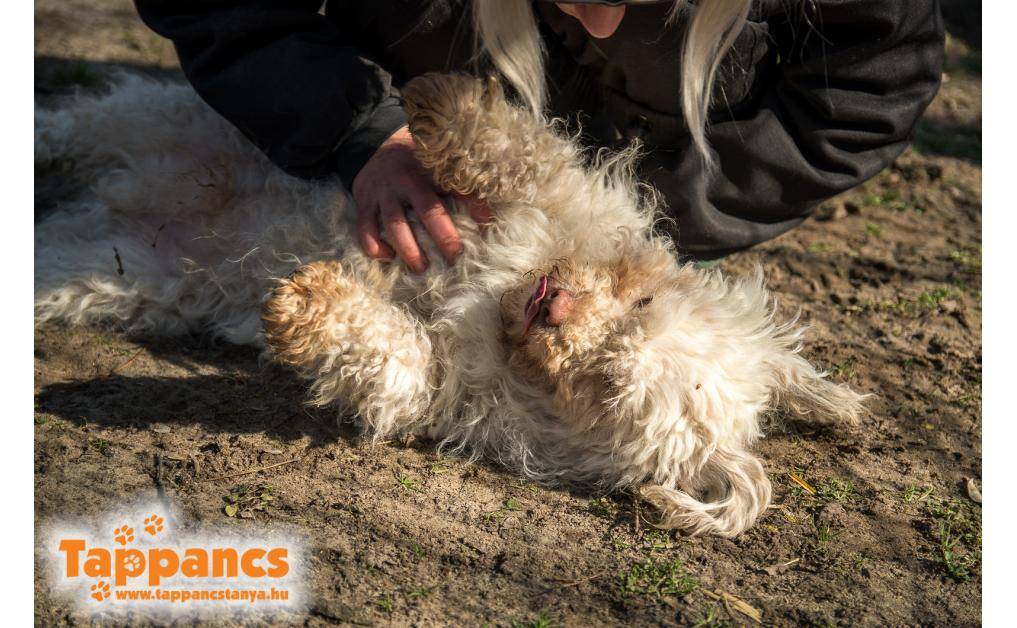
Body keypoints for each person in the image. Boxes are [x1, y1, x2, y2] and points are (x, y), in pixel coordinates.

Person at [133, 0, 944, 272]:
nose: (599, 16)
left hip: (670, 156)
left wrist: (647, 222)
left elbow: (873, 84)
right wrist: (363, 129)